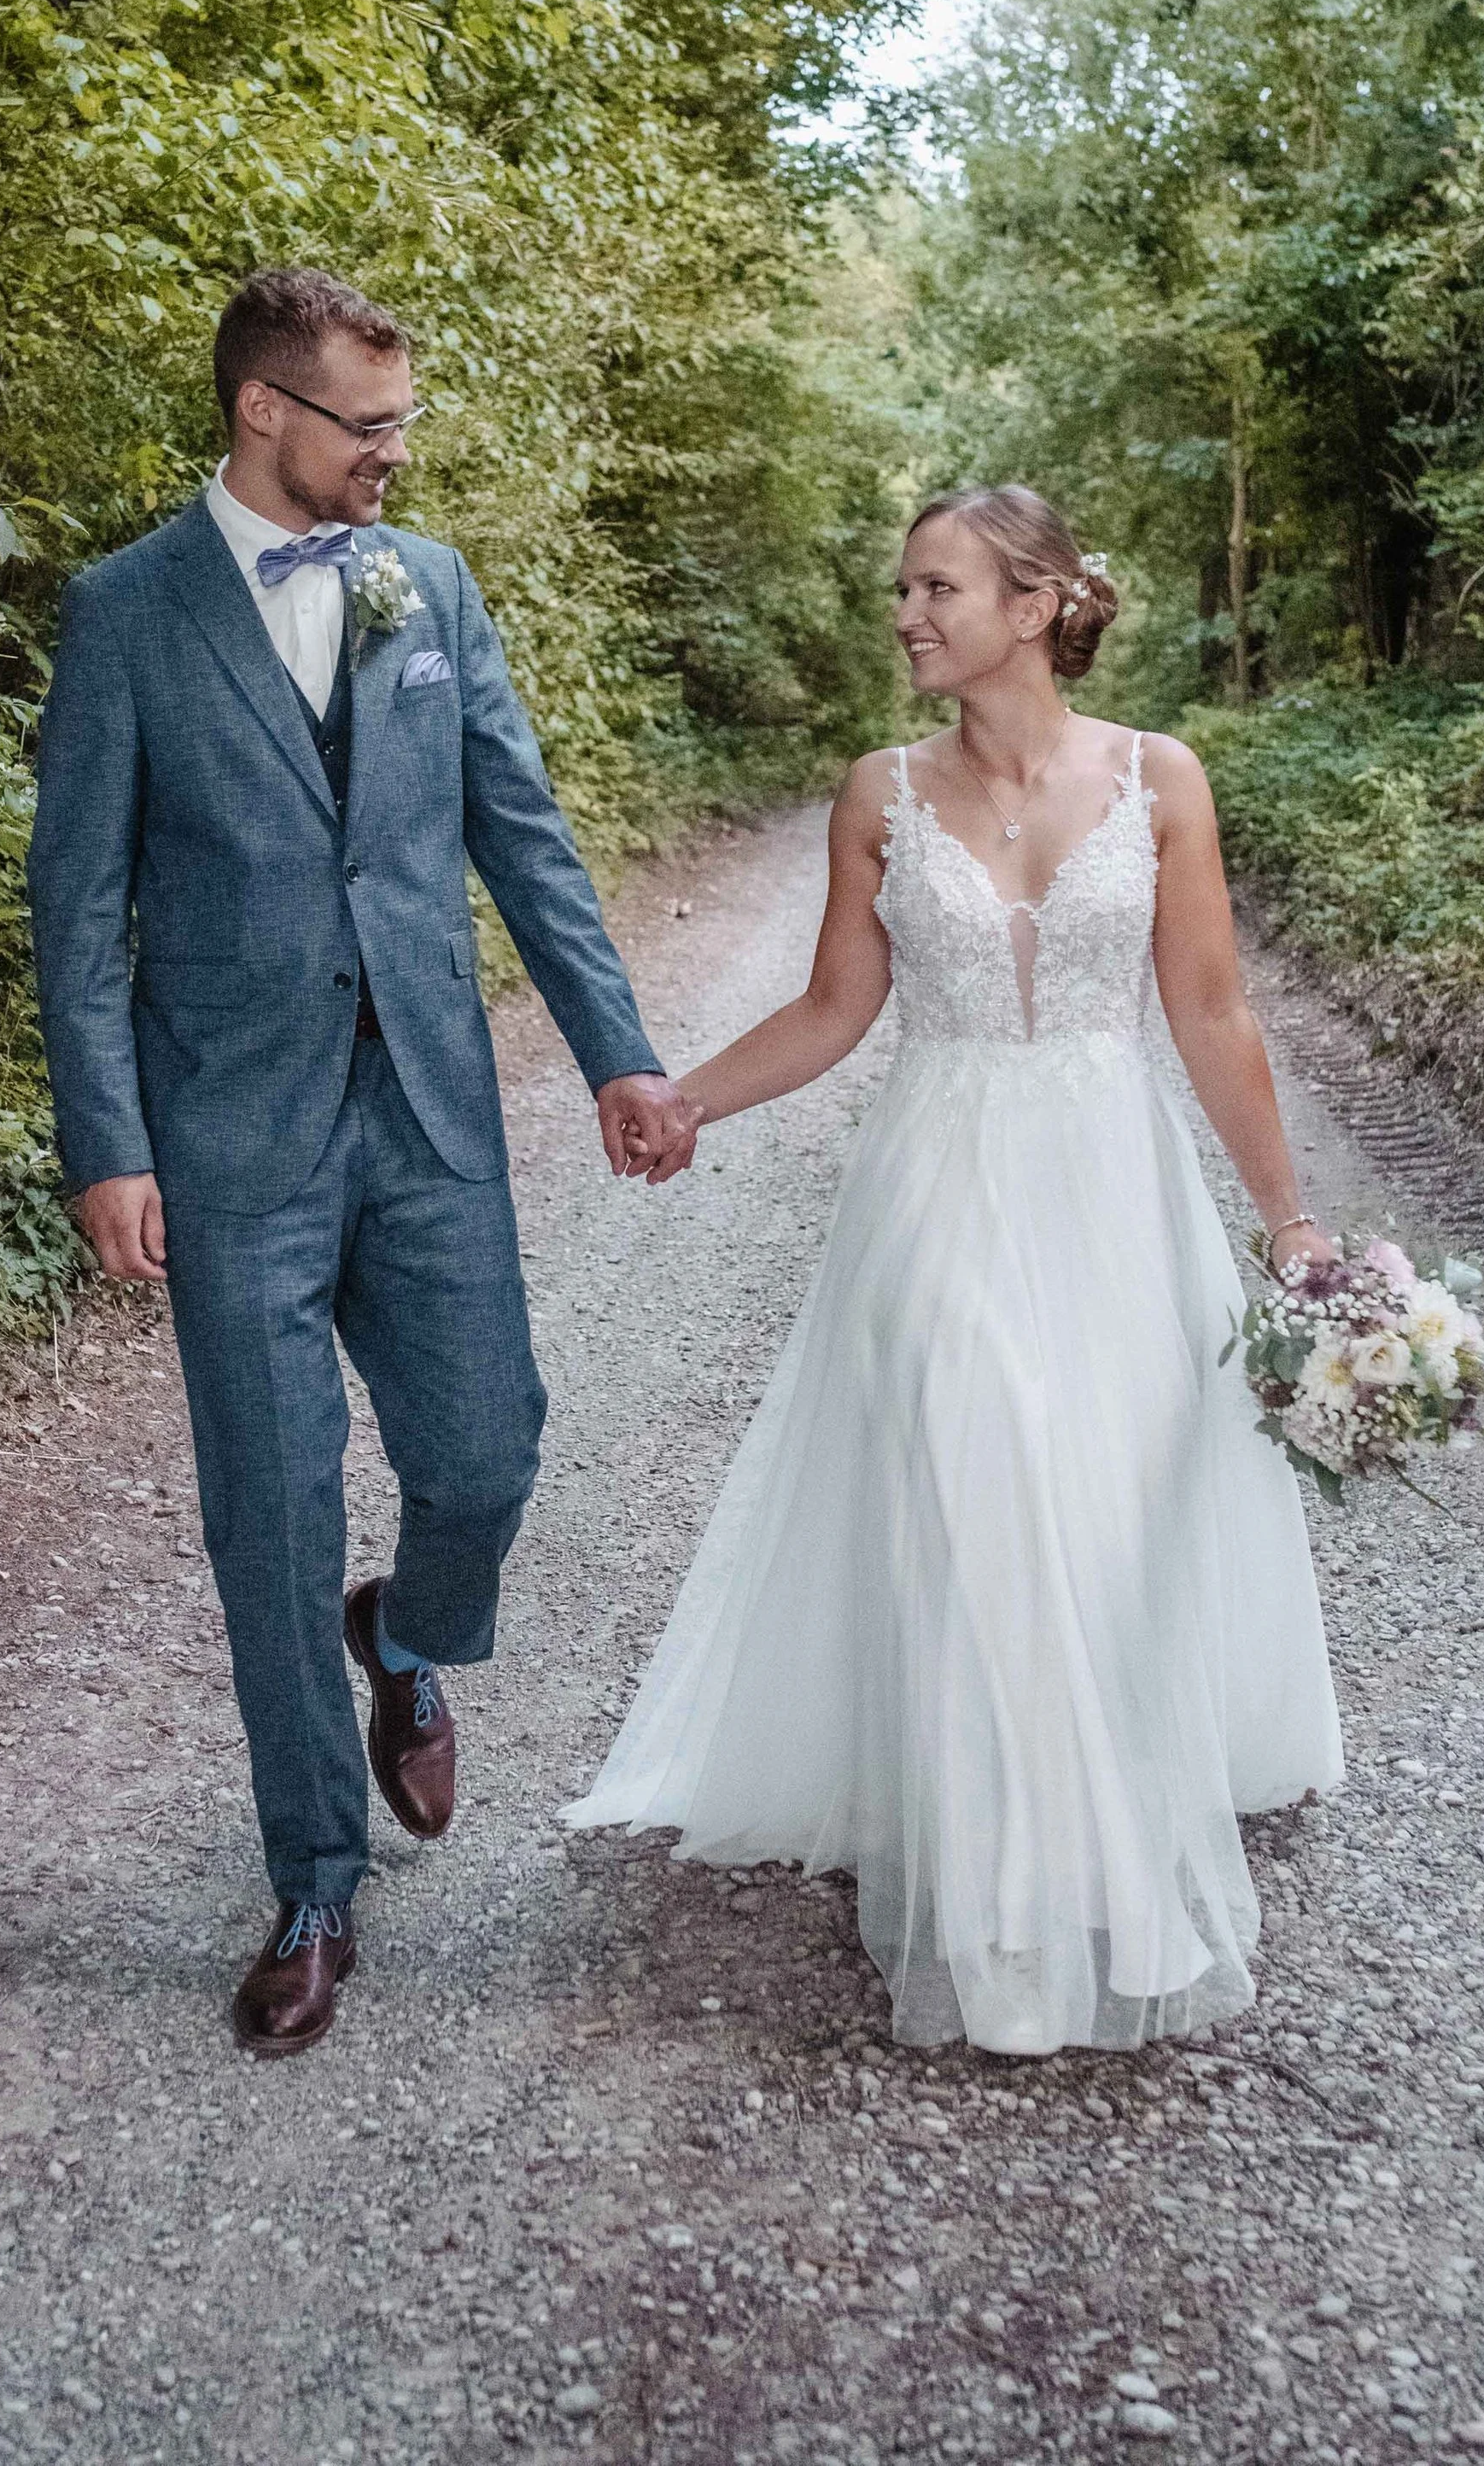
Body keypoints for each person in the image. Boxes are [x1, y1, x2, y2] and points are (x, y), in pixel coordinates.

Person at [568, 484, 1346, 2053]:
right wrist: (684, 1098)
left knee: (1102, 1503)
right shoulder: (880, 791)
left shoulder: (1160, 777)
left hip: (1114, 1189)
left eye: (940, 588)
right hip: (937, 1185)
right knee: (973, 1457)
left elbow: (1211, 1012)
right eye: (905, 588)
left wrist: (1291, 1227)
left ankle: (1094, 1800)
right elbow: (835, 1007)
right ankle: (1004, 1883)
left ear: (1038, 603)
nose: (908, 614)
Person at [27, 266, 688, 2054]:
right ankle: (315, 1879)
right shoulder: (127, 612)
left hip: (425, 1110)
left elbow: (522, 834)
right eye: (367, 423)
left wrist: (618, 1051)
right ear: (265, 410)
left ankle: (405, 1632)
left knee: (488, 1449)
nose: (394, 451)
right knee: (272, 1510)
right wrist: (108, 1141)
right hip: (228, 1132)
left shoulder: (429, 586)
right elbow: (77, 906)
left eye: (402, 421)